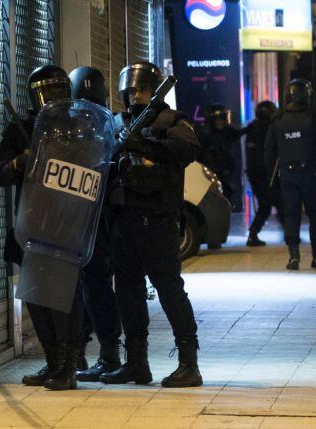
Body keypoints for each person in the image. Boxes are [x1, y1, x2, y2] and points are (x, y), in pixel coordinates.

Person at [100, 62, 203, 388]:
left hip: (157, 220)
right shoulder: (116, 122)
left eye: (140, 89)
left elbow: (188, 150)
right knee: (127, 294)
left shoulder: (172, 120)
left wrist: (144, 144)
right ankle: (136, 363)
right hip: (124, 219)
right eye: (129, 90)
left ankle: (189, 364)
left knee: (170, 290)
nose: (134, 95)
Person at [0, 64, 83, 390]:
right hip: (30, 226)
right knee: (37, 298)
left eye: (58, 91)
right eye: (46, 92)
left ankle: (69, 366)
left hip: (67, 226)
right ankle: (52, 362)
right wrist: (23, 159)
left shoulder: (81, 129)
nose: (51, 100)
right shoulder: (21, 130)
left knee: (64, 300)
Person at [66, 66, 123, 382]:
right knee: (87, 289)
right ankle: (82, 352)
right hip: (78, 218)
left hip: (98, 220)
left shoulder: (111, 126)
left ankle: (107, 354)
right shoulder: (85, 126)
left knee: (95, 288)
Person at [264, 78, 316, 270]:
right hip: (309, 173)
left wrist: (270, 176)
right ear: (306, 96)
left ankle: (294, 257)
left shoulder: (278, 121)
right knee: (315, 214)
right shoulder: (312, 118)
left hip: (287, 175)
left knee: (292, 214)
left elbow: (268, 150)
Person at [244, 101, 284, 246]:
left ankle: (253, 234)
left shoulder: (252, 128)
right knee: (278, 203)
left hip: (255, 174)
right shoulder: (267, 128)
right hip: (265, 174)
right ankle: (289, 233)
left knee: (266, 205)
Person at [197, 103, 243, 211]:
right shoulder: (205, 134)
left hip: (224, 173)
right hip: (211, 173)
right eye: (216, 119)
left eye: (221, 119)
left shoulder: (226, 132)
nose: (219, 122)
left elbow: (236, 134)